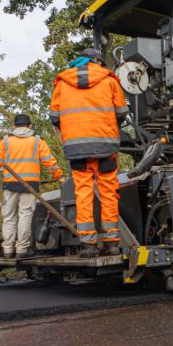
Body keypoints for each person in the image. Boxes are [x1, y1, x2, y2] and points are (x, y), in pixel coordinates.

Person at [50, 48, 129, 258]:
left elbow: (54, 116)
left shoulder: (62, 83)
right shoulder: (110, 80)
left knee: (83, 194)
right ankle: (112, 242)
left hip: (77, 149)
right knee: (108, 192)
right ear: (98, 62)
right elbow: (122, 112)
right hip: (106, 146)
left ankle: (88, 245)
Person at [0, 114, 64, 258]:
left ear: (14, 126)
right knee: (25, 215)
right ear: (30, 126)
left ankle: (7, 249)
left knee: (9, 216)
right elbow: (49, 161)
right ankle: (21, 250)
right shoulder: (37, 141)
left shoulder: (5, 141)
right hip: (29, 185)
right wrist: (59, 176)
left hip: (10, 184)